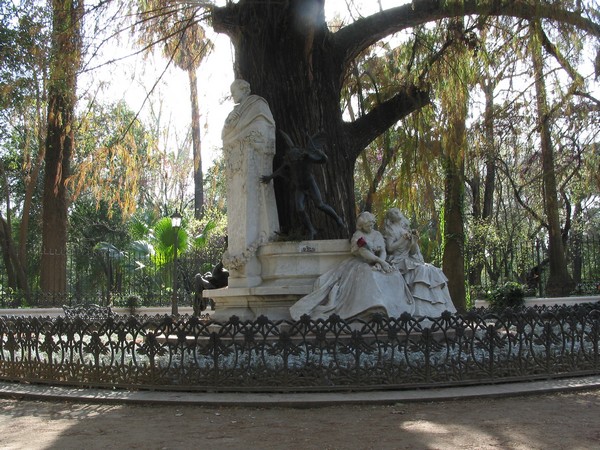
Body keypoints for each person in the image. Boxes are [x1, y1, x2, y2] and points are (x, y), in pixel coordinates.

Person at [290, 212, 414, 321]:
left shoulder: (377, 234)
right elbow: (363, 252)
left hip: (378, 263)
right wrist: (380, 262)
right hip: (361, 263)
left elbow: (383, 251)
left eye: (372, 224)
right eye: (368, 225)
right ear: (361, 226)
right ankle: (371, 308)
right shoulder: (358, 236)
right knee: (368, 274)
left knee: (394, 275)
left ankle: (393, 309)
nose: (371, 226)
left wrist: (380, 263)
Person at [221, 79, 279, 287]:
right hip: (238, 169)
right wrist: (231, 126)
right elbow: (225, 136)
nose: (233, 95)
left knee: (253, 204)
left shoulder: (258, 105)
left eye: (234, 90)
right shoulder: (234, 113)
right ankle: (242, 265)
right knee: (239, 210)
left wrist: (242, 135)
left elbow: (265, 129)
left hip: (253, 162)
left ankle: (252, 265)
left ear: (245, 89)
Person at [261, 130, 345, 240]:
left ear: (298, 156)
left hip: (310, 184)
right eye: (291, 159)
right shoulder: (290, 160)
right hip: (299, 187)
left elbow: (323, 160)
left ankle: (338, 219)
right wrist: (269, 177)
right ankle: (311, 229)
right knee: (299, 208)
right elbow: (280, 170)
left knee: (320, 205)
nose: (292, 161)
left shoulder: (306, 157)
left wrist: (320, 153)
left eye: (294, 159)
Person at [383, 208, 456, 317]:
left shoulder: (405, 229)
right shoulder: (391, 230)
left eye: (398, 211)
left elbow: (412, 252)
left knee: (433, 270)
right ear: (390, 217)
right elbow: (389, 248)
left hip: (409, 260)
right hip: (397, 261)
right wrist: (403, 239)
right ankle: (420, 310)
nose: (397, 213)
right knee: (422, 270)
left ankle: (439, 309)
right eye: (394, 212)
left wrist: (414, 240)